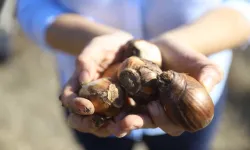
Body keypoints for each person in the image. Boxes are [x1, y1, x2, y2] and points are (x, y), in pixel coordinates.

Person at [16, 0, 250, 150]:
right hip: (94, 91)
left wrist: (181, 44)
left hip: (194, 98)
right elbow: (31, 5)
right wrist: (95, 40)